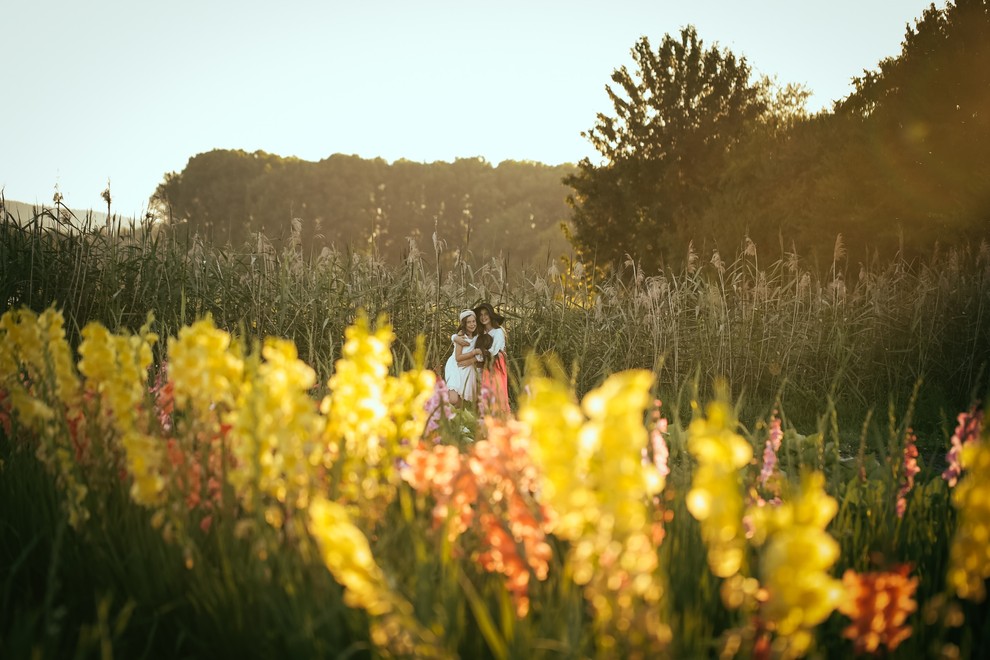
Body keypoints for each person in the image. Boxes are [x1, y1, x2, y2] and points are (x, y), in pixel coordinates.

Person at [443, 309, 485, 405]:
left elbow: (484, 352)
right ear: (464, 324)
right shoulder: (461, 335)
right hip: (455, 366)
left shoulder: (478, 336)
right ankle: (438, 400)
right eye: (468, 322)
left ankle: (454, 416)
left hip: (468, 367)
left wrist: (475, 357)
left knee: (461, 401)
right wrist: (473, 352)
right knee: (453, 398)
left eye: (473, 321)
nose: (472, 324)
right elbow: (458, 357)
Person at [473, 302, 509, 412]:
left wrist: (478, 354)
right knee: (485, 390)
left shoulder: (498, 332)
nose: (483, 317)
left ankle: (500, 415)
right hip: (484, 365)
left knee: (496, 390)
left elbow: (493, 351)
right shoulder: (481, 332)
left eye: (486, 314)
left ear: (490, 315)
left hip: (495, 363)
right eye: (481, 315)